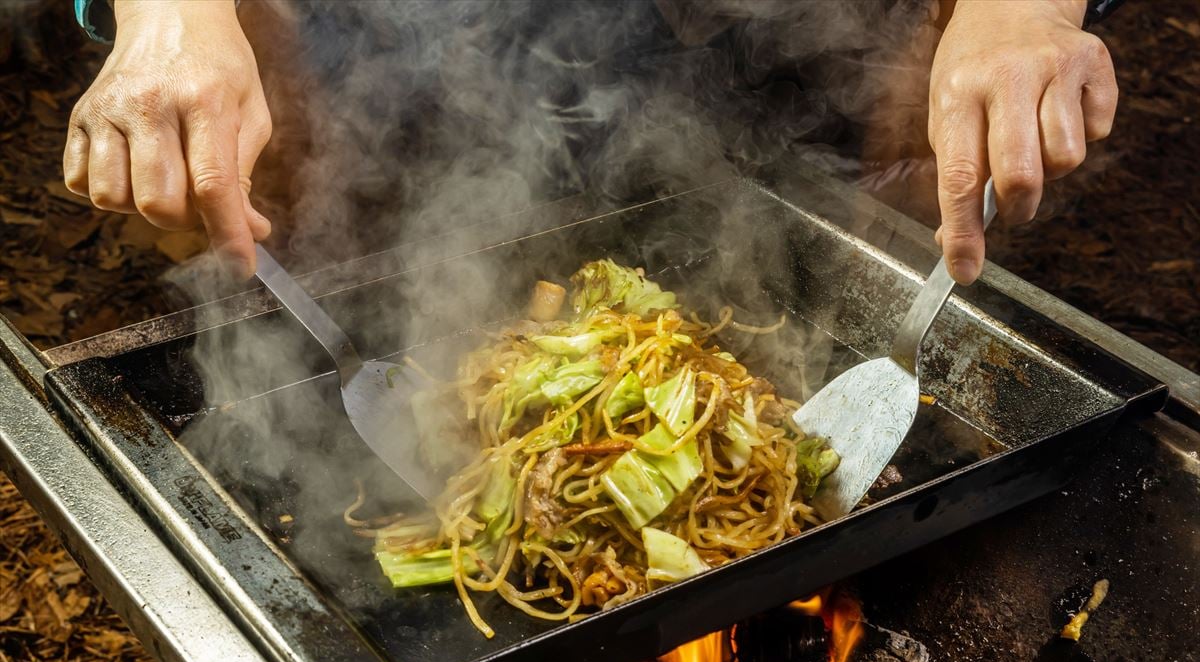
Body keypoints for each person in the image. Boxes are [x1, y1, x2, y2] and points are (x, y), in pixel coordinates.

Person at [65, 0, 1123, 283]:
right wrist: (169, 12)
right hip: (401, 43)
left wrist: (1021, 3)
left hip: (802, 48)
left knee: (852, 269)